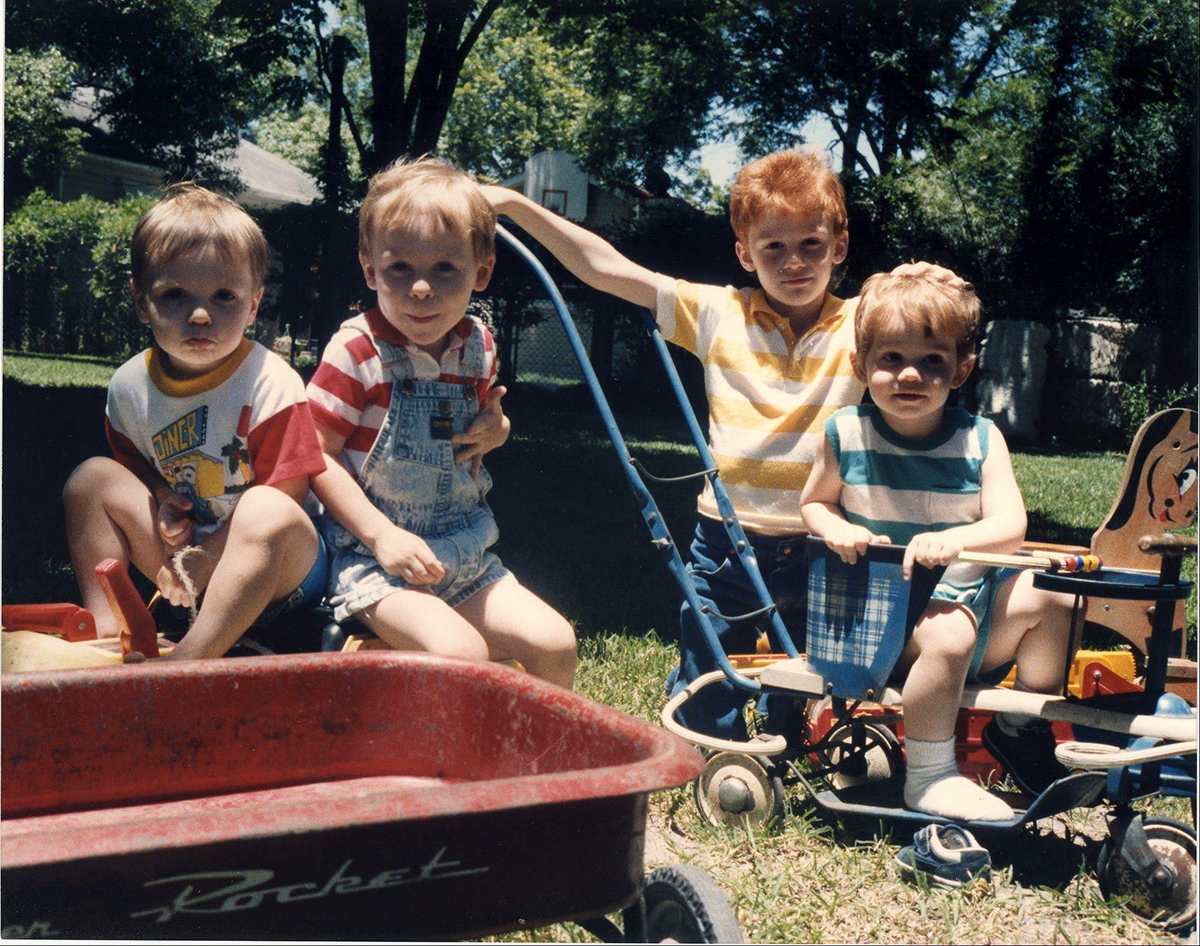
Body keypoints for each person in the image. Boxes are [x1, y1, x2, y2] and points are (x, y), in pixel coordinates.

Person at [484, 148, 958, 738]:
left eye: (811, 245)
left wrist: (927, 281)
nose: (794, 263)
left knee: (815, 676)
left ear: (839, 248)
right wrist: (511, 205)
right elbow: (603, 266)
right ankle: (709, 741)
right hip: (727, 536)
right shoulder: (717, 312)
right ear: (744, 253)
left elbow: (934, 319)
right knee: (707, 656)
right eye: (773, 248)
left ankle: (791, 744)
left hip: (827, 538)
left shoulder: (865, 324)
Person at [800, 272, 1077, 820]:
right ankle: (928, 776)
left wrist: (955, 540)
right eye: (891, 358)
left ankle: (1018, 728)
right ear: (860, 365)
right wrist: (839, 529)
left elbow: (1009, 523)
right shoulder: (846, 433)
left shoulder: (979, 437)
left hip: (966, 613)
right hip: (879, 624)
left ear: (962, 369)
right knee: (950, 628)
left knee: (1055, 596)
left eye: (932, 361)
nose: (910, 374)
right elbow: (814, 504)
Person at [307, 157, 577, 688]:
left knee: (556, 642)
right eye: (400, 268)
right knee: (463, 654)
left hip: (462, 551)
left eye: (444, 269)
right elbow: (315, 454)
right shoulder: (357, 351)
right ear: (370, 270)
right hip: (373, 559)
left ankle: (537, 769)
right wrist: (382, 536)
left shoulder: (477, 347)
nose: (421, 288)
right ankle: (456, 769)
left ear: (481, 272)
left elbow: (484, 423)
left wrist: (496, 430)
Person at [63, 184, 330, 660]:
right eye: (175, 295)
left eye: (224, 296)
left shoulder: (270, 382)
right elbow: (135, 468)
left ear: (253, 304)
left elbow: (288, 493)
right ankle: (107, 633)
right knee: (89, 481)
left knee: (264, 507)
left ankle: (191, 661)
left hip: (282, 573)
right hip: (187, 563)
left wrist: (206, 561)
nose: (201, 314)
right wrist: (164, 498)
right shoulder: (131, 386)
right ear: (142, 300)